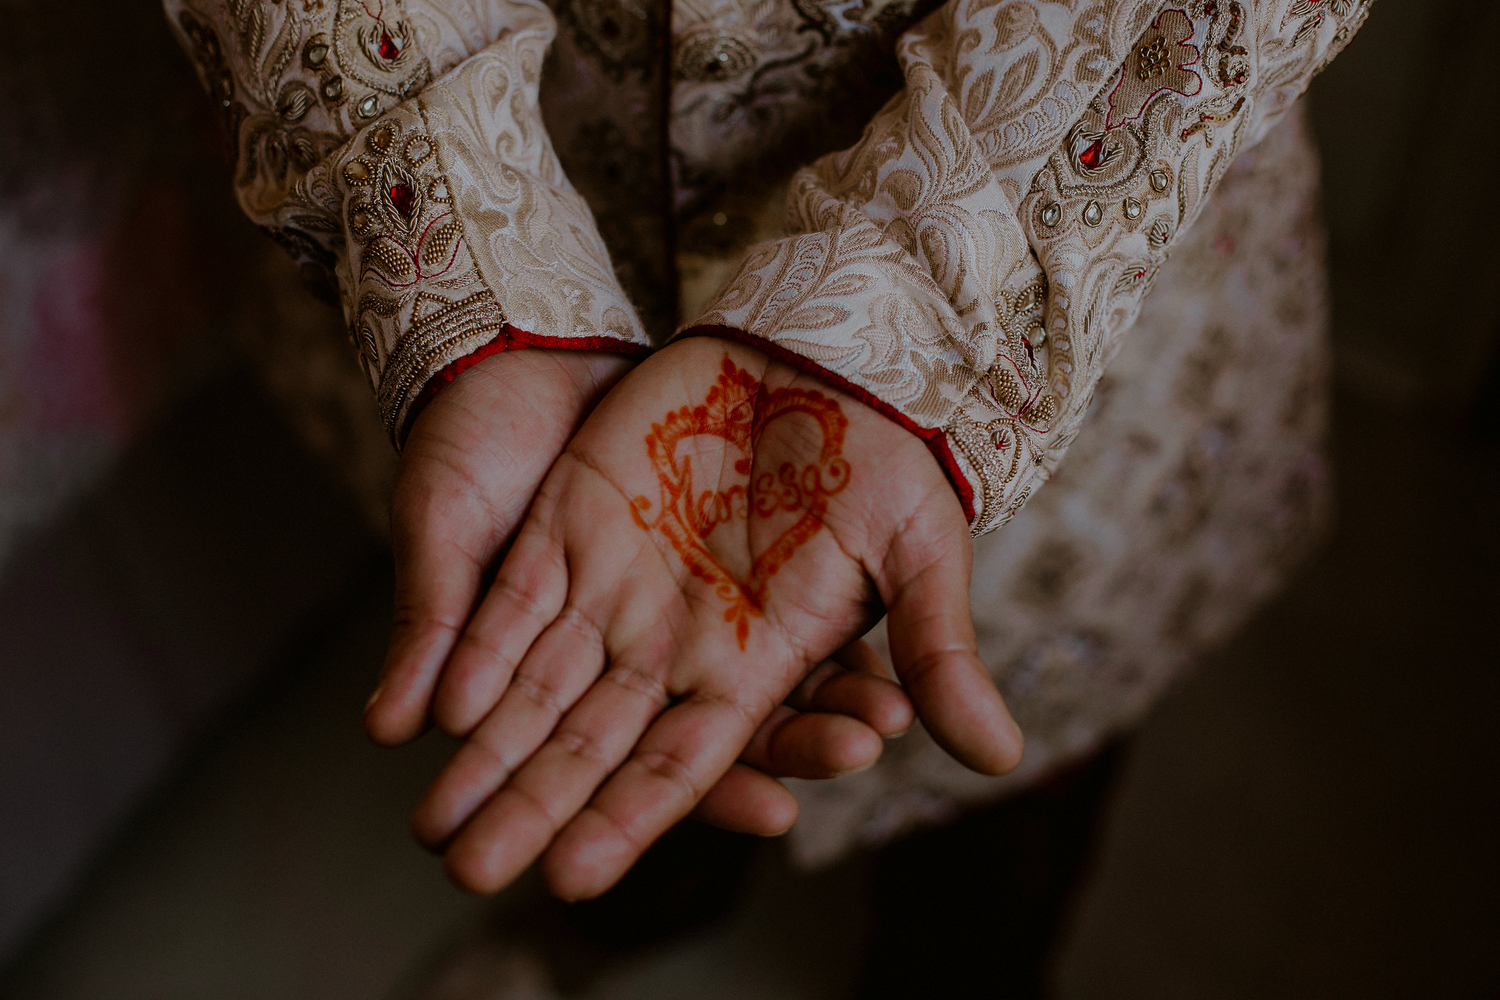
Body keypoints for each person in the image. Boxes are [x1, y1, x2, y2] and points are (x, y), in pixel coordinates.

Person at [163, 0, 1369, 904]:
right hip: (534, 213)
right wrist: (463, 250)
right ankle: (624, 936)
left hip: (1059, 308)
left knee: (1007, 809)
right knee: (612, 729)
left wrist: (912, 306)